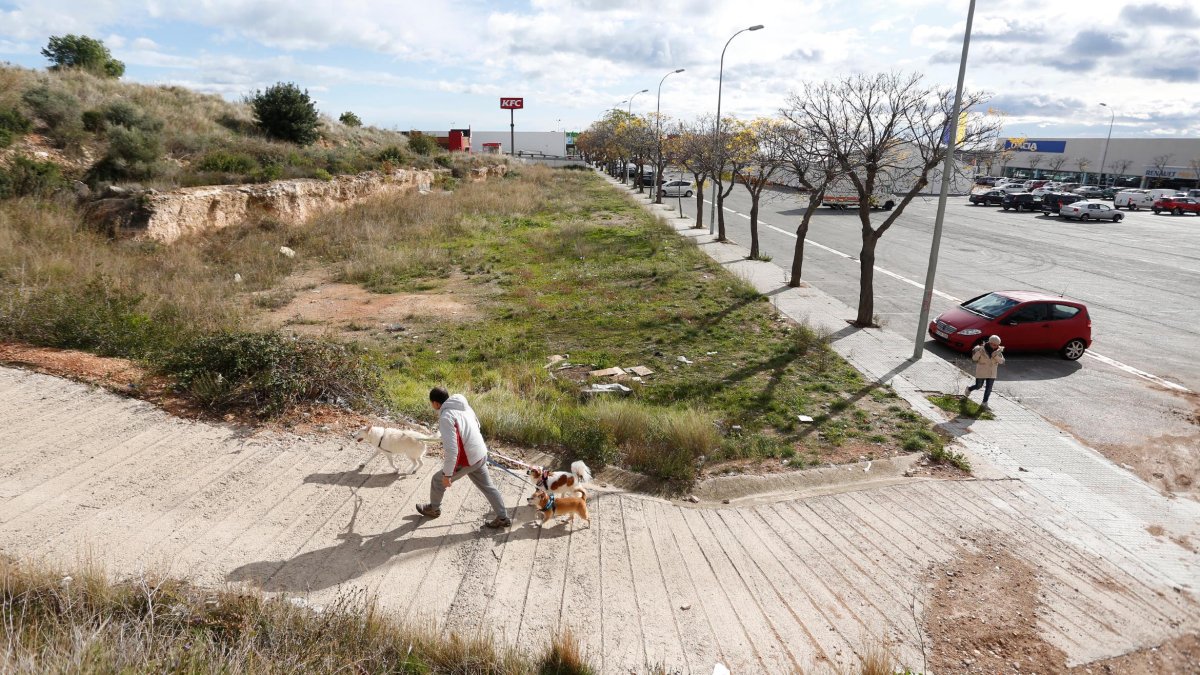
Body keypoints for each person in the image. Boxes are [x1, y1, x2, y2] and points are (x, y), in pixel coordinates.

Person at [416, 387, 511, 528]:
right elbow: (477, 425)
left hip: (468, 459)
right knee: (488, 487)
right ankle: (503, 518)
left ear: (435, 404)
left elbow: (452, 450)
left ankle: (433, 509)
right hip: (480, 453)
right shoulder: (463, 405)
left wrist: (447, 475)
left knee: (437, 480)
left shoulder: (446, 417)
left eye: (432, 404)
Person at [965, 335, 1005, 407]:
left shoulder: (999, 351)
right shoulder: (981, 349)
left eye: (996, 345)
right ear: (989, 343)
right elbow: (974, 359)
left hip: (992, 372)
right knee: (978, 386)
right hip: (981, 371)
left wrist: (995, 356)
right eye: (992, 344)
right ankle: (969, 389)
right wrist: (978, 353)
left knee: (989, 388)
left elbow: (1002, 361)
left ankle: (984, 402)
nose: (994, 346)